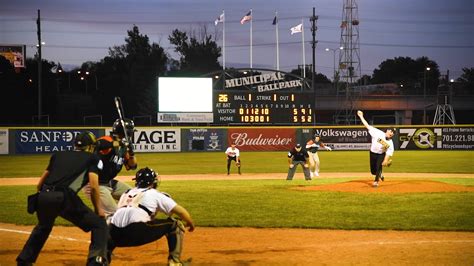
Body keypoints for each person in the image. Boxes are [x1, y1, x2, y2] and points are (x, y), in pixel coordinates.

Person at [17, 131, 108, 266]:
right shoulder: (93, 158)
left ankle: (24, 260)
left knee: (43, 227)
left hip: (43, 196)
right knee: (99, 225)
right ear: (90, 146)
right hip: (64, 197)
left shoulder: (58, 155)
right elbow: (94, 186)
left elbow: (39, 184)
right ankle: (95, 261)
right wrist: (99, 210)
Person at [108, 167, 195, 266]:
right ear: (152, 182)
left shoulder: (126, 193)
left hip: (115, 235)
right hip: (136, 231)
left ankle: (102, 261)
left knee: (108, 230)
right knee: (175, 224)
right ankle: (174, 262)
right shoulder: (154, 193)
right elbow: (181, 211)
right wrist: (191, 223)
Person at [86, 118, 138, 219]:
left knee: (136, 197)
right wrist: (118, 143)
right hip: (96, 185)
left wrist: (131, 153)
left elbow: (132, 166)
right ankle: (106, 230)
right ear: (127, 132)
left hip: (110, 182)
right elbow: (97, 145)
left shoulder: (124, 148)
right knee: (115, 215)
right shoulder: (107, 140)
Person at [357, 110, 395, 187]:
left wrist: (385, 160)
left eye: (393, 133)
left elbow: (388, 153)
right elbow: (367, 125)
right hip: (372, 153)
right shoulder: (377, 133)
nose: (392, 133)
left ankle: (376, 181)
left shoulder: (390, 143)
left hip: (381, 154)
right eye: (391, 131)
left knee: (378, 167)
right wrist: (361, 116)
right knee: (373, 171)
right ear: (387, 131)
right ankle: (380, 174)